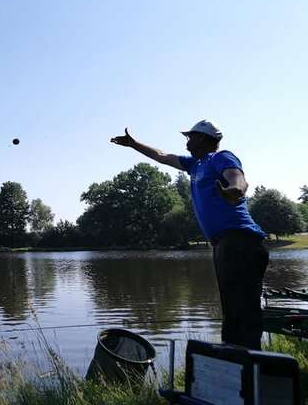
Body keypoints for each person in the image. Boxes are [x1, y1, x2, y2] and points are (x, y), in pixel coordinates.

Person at [110, 119, 268, 350]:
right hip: (225, 244)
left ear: (202, 138)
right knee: (233, 313)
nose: (187, 141)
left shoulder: (220, 157)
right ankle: (236, 370)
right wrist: (134, 144)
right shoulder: (195, 164)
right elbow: (162, 156)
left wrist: (236, 190)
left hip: (240, 241)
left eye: (190, 137)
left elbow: (237, 177)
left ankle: (252, 369)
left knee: (244, 313)